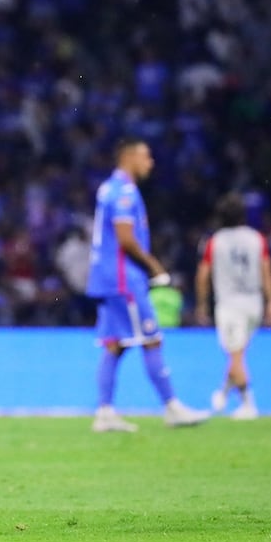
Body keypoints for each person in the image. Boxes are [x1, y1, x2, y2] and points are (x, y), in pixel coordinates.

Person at [85, 137, 210, 432]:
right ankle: (172, 406)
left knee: (115, 344)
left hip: (107, 278)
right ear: (129, 157)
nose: (150, 163)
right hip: (123, 278)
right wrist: (155, 268)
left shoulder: (109, 188)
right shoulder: (124, 192)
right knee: (151, 337)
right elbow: (126, 239)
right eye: (146, 157)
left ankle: (104, 412)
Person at [194, 193, 271, 420]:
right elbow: (266, 270)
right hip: (253, 303)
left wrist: (202, 303)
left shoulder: (215, 241)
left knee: (235, 355)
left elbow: (203, 274)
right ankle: (223, 393)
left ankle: (248, 404)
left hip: (229, 304)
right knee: (238, 353)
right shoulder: (256, 238)